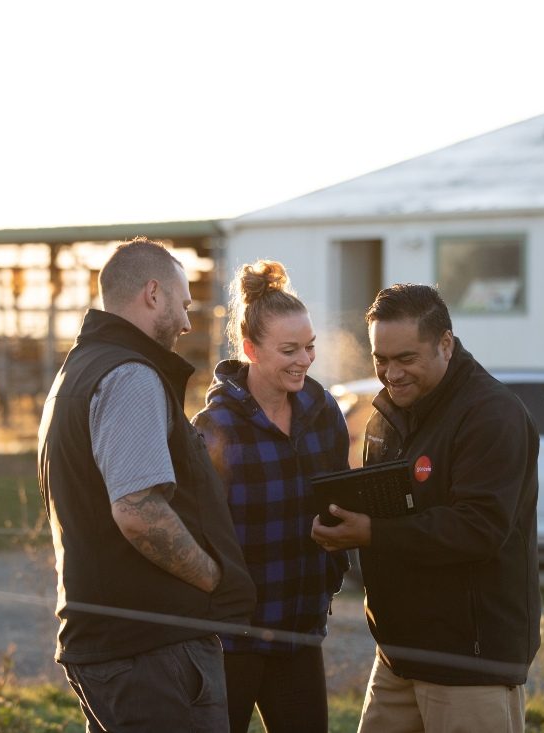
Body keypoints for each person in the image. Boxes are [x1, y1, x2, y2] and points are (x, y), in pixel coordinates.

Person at [37, 237, 256, 732]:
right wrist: (214, 579)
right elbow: (138, 511)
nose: (185, 321)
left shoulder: (78, 370)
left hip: (116, 643)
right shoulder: (130, 375)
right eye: (183, 304)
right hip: (151, 650)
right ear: (152, 294)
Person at [311, 283, 540, 733]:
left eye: (406, 359)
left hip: (470, 665)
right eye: (381, 360)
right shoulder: (387, 415)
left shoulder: (492, 415)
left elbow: (479, 528)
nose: (391, 374)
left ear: (446, 344)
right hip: (398, 657)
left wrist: (372, 532)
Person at [192, 260, 351, 733]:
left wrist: (332, 569)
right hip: (231, 637)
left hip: (299, 628)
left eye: (309, 347)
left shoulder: (323, 412)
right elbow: (199, 533)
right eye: (289, 350)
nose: (303, 360)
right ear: (250, 349)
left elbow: (338, 496)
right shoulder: (214, 427)